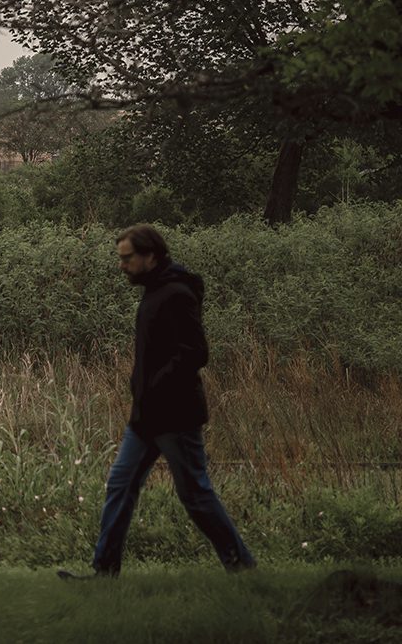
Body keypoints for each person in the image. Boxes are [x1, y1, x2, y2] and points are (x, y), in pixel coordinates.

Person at [61, 223, 256, 579]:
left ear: (150, 256)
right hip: (146, 416)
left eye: (127, 258)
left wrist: (155, 386)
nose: (122, 266)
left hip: (175, 415)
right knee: (121, 485)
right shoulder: (153, 290)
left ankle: (241, 566)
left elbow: (196, 352)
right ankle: (104, 572)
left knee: (195, 494)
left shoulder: (177, 293)